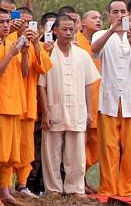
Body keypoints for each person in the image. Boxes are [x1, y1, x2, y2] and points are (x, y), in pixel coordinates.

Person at [90, 0, 131, 197]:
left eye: (123, 11)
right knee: (108, 147)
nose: (120, 15)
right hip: (109, 98)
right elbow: (95, 49)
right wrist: (112, 30)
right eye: (115, 11)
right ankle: (108, 188)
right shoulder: (101, 34)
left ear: (129, 14)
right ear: (109, 15)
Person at [38, 14, 101, 196]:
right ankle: (54, 190)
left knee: (77, 155)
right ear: (55, 31)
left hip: (77, 109)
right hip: (54, 109)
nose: (68, 33)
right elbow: (40, 85)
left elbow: (90, 84)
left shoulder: (82, 55)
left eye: (71, 30)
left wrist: (90, 111)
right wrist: (46, 112)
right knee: (51, 153)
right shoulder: (46, 54)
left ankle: (75, 189)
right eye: (64, 29)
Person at [0, 8, 30, 206]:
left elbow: (25, 73)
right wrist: (10, 54)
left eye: (7, 22)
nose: (5, 25)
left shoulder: (14, 42)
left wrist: (24, 52)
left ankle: (5, 190)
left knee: (11, 153)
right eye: (1, 22)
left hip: (15, 104)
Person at [12, 7, 51, 198]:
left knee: (27, 148)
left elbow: (43, 68)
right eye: (22, 21)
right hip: (8, 102)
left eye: (29, 22)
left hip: (27, 104)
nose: (25, 25)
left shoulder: (37, 44)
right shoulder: (7, 40)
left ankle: (21, 185)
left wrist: (36, 44)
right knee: (4, 148)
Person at [76, 10, 103, 193]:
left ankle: (82, 177)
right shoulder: (76, 41)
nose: (98, 20)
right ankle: (79, 181)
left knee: (97, 144)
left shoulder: (102, 40)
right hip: (82, 99)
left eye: (101, 18)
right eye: (94, 18)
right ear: (83, 22)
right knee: (80, 143)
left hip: (100, 99)